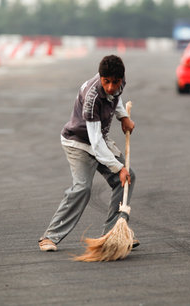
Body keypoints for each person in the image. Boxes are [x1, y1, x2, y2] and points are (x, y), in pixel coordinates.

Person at [38, 55, 138, 252]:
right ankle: (50, 237)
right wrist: (118, 167)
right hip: (78, 143)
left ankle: (113, 233)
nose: (110, 87)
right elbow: (95, 142)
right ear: (101, 77)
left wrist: (123, 116)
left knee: (127, 178)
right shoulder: (92, 98)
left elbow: (115, 98)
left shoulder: (119, 82)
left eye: (115, 82)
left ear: (121, 79)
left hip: (100, 139)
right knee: (83, 187)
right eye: (106, 82)